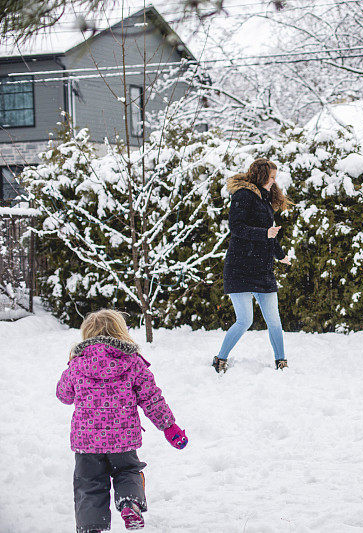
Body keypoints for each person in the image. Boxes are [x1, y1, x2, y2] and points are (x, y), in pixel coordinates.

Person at [56, 309, 187, 533]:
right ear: (120, 332)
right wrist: (169, 426)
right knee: (127, 471)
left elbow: (63, 395)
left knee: (89, 484)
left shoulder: (77, 364)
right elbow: (151, 398)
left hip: (87, 443)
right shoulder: (133, 363)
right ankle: (130, 503)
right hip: (123, 440)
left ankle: (90, 527)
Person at [213, 158, 292, 373]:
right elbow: (236, 228)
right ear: (261, 175)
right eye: (271, 177)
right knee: (245, 320)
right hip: (239, 267)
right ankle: (220, 358)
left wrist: (280, 255)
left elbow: (270, 233)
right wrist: (263, 233)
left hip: (262, 269)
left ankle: (281, 361)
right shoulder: (243, 196)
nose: (274, 182)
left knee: (274, 320)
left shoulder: (264, 201)